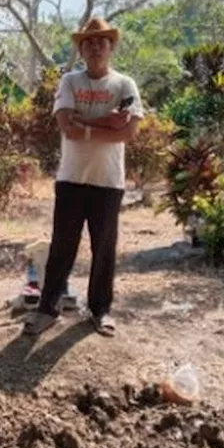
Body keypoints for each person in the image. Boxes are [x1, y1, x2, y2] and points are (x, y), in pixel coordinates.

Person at [23, 18, 143, 338]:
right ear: (81, 48)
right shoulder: (70, 82)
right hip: (71, 179)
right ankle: (47, 310)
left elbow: (128, 132)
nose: (94, 46)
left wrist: (86, 124)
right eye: (88, 41)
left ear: (111, 46)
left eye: (101, 40)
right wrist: (107, 122)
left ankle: (100, 310)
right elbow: (66, 126)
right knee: (63, 246)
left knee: (104, 249)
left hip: (108, 181)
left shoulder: (125, 85)